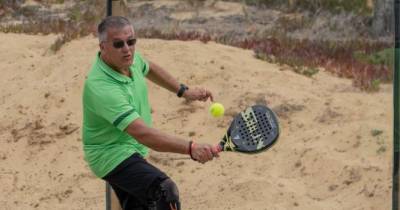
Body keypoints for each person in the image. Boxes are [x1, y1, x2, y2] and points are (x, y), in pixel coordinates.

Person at [82, 16, 219, 210]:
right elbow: (143, 134)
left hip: (133, 150)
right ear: (103, 47)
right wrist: (191, 147)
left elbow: (149, 68)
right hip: (111, 154)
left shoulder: (129, 60)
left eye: (131, 42)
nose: (127, 49)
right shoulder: (101, 87)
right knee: (164, 191)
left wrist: (184, 91)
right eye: (118, 44)